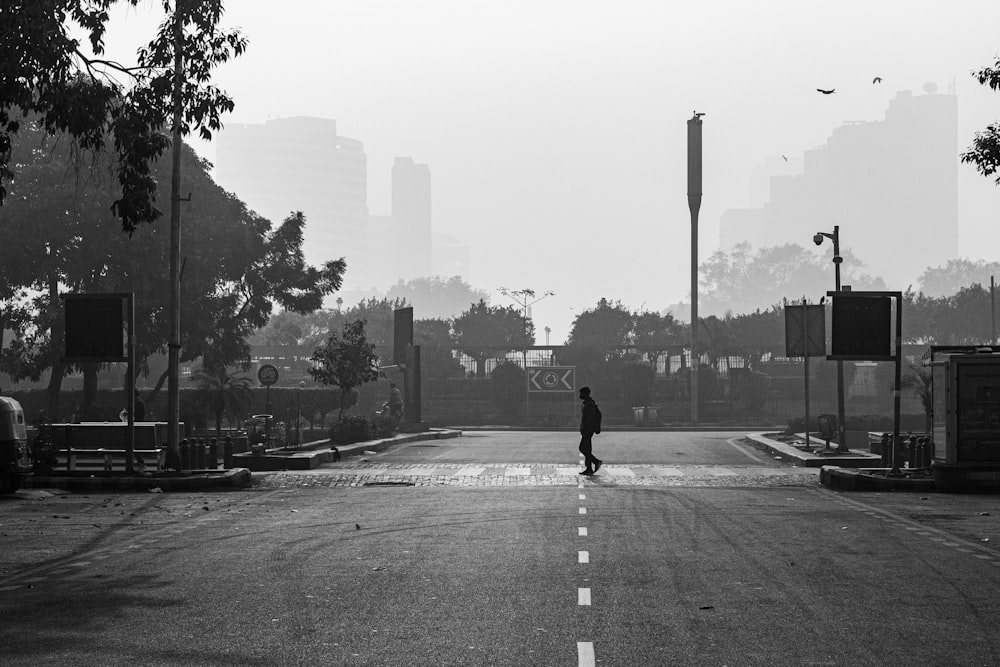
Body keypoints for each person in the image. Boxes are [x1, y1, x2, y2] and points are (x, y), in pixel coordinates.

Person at [578, 386, 603, 475]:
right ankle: (589, 468)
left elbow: (590, 418)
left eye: (581, 393)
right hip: (587, 429)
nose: (580, 395)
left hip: (588, 429)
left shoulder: (589, 404)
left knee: (582, 448)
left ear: (586, 394)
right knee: (587, 449)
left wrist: (585, 427)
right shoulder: (586, 403)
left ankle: (596, 462)